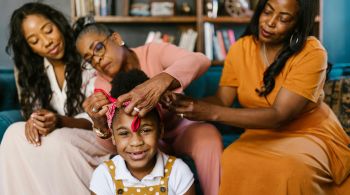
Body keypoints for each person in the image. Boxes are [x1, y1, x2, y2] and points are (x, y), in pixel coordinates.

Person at [165, 0, 350, 194]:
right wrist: (187, 104)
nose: (270, 22)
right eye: (267, 12)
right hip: (258, 132)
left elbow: (280, 115)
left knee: (290, 169)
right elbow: (222, 100)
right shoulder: (241, 48)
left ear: (298, 23)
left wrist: (210, 113)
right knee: (231, 160)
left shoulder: (312, 52)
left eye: (284, 18)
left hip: (309, 133)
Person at [74, 18, 222, 195]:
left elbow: (200, 60)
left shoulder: (153, 52)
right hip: (148, 139)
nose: (97, 60)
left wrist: (161, 81)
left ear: (116, 38)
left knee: (208, 137)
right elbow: (115, 143)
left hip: (181, 128)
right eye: (89, 59)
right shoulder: (101, 85)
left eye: (98, 48)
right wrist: (99, 125)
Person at [0, 3, 110, 195]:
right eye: (34, 40)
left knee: (57, 141)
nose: (46, 42)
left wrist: (59, 121)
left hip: (97, 138)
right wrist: (35, 121)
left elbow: (101, 118)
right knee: (13, 133)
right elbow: (34, 110)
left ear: (58, 23)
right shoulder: (34, 71)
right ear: (30, 48)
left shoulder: (88, 56)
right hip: (57, 138)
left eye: (48, 30)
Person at [90, 69, 195, 195]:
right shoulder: (104, 176)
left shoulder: (178, 172)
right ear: (112, 136)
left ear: (160, 130)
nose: (136, 142)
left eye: (145, 130)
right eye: (124, 133)